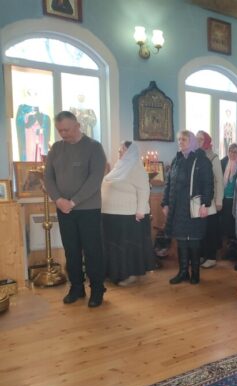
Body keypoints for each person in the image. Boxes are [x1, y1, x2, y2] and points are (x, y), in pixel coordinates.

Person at [44, 111, 107, 307]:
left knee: (92, 251)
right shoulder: (56, 148)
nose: (63, 134)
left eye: (67, 130)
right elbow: (48, 177)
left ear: (78, 126)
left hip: (88, 210)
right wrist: (58, 199)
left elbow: (95, 179)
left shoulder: (94, 147)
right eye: (60, 130)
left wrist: (73, 202)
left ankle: (97, 290)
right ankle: (77, 288)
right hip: (64, 210)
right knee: (71, 250)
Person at [162, 130, 213, 285]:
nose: (180, 142)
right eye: (179, 139)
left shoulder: (201, 160)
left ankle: (195, 273)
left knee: (194, 241)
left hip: (194, 206)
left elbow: (208, 184)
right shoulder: (176, 160)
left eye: (184, 139)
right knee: (181, 240)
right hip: (178, 207)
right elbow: (168, 184)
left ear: (191, 142)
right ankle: (183, 272)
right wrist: (165, 203)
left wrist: (205, 204)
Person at [101, 141, 155, 286]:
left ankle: (130, 274)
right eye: (119, 150)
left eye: (123, 150)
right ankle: (113, 272)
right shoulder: (118, 167)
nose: (119, 152)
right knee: (113, 246)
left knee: (127, 247)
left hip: (128, 215)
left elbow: (144, 190)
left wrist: (141, 211)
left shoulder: (136, 168)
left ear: (131, 152)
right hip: (111, 214)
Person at [196, 130, 223, 269]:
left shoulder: (213, 157)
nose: (198, 141)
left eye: (200, 139)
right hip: (198, 200)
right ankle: (202, 255)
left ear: (206, 141)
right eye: (196, 139)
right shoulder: (195, 155)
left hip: (211, 200)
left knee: (210, 229)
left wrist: (219, 201)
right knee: (200, 229)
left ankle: (211, 257)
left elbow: (219, 180)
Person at [220, 143, 237, 261]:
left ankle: (234, 252)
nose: (232, 154)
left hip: (235, 202)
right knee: (225, 226)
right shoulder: (223, 163)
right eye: (230, 151)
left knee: (233, 227)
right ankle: (226, 250)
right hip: (224, 200)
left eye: (235, 152)